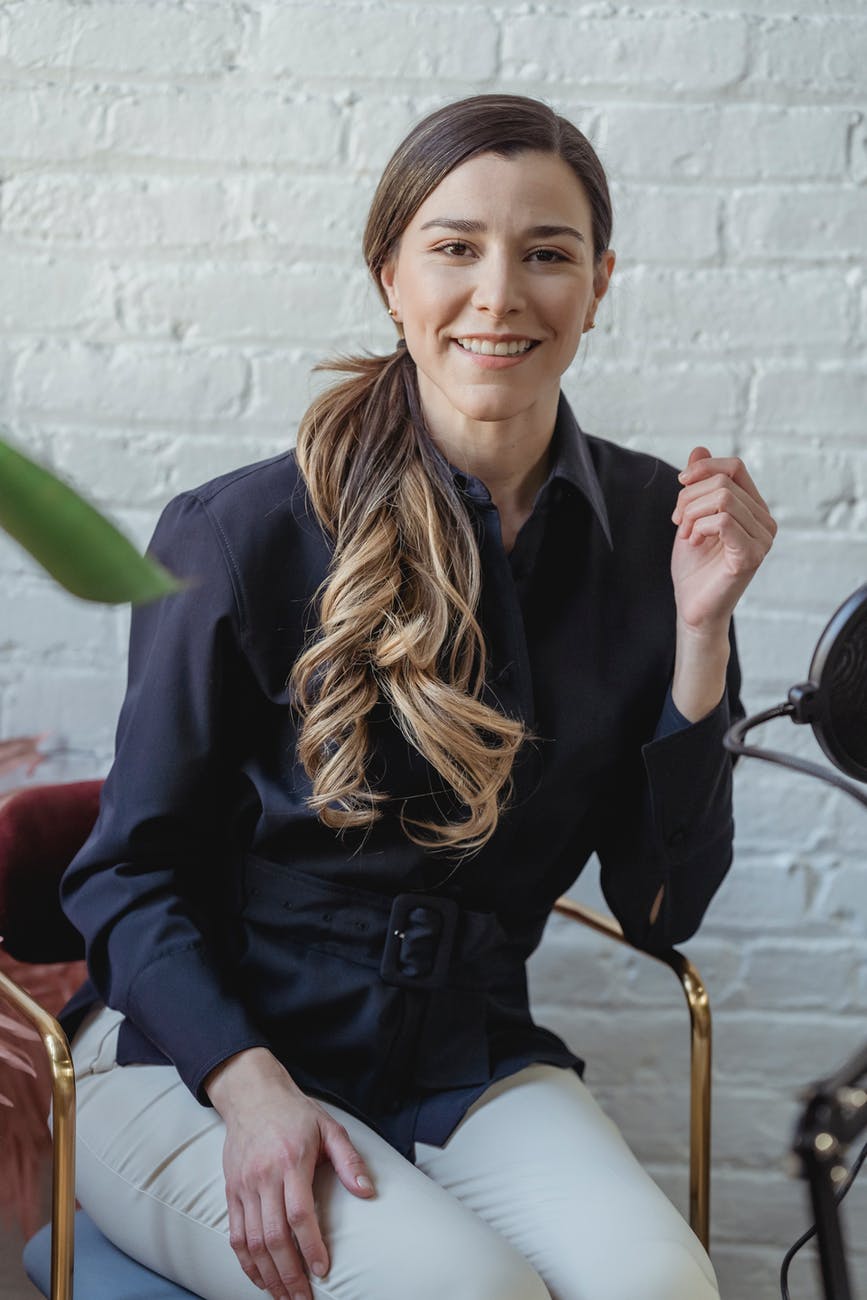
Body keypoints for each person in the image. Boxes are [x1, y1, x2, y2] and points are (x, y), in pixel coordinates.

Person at [59, 93, 776, 1300]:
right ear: (390, 274)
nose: (500, 294)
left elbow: (657, 909)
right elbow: (126, 875)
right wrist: (249, 1087)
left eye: (547, 253)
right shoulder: (238, 535)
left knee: (666, 1286)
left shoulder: (662, 536)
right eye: (455, 248)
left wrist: (701, 634)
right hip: (193, 1064)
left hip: (466, 1057)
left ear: (598, 283)